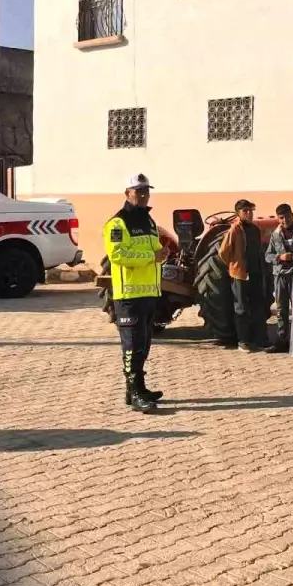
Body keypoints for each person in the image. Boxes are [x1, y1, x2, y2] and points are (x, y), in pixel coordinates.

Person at [103, 174, 168, 413]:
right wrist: (152, 257)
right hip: (128, 296)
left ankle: (136, 390)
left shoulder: (149, 222)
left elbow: (154, 248)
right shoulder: (117, 224)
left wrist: (162, 253)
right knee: (132, 346)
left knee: (144, 345)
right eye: (138, 191)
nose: (143, 195)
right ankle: (135, 391)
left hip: (149, 293)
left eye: (146, 191)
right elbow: (117, 255)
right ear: (127, 194)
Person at [220, 199, 269, 352]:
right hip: (240, 275)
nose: (249, 213)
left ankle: (260, 340)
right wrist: (234, 265)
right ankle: (243, 341)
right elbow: (223, 252)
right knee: (241, 308)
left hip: (255, 273)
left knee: (258, 306)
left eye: (250, 210)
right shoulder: (234, 230)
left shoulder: (255, 229)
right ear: (238, 213)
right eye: (245, 211)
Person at [264, 203, 293, 354]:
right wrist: (280, 257)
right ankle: (282, 341)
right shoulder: (275, 235)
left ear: (292, 215)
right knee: (281, 310)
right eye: (281, 218)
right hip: (280, 276)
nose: (285, 220)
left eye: (287, 217)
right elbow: (267, 256)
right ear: (278, 219)